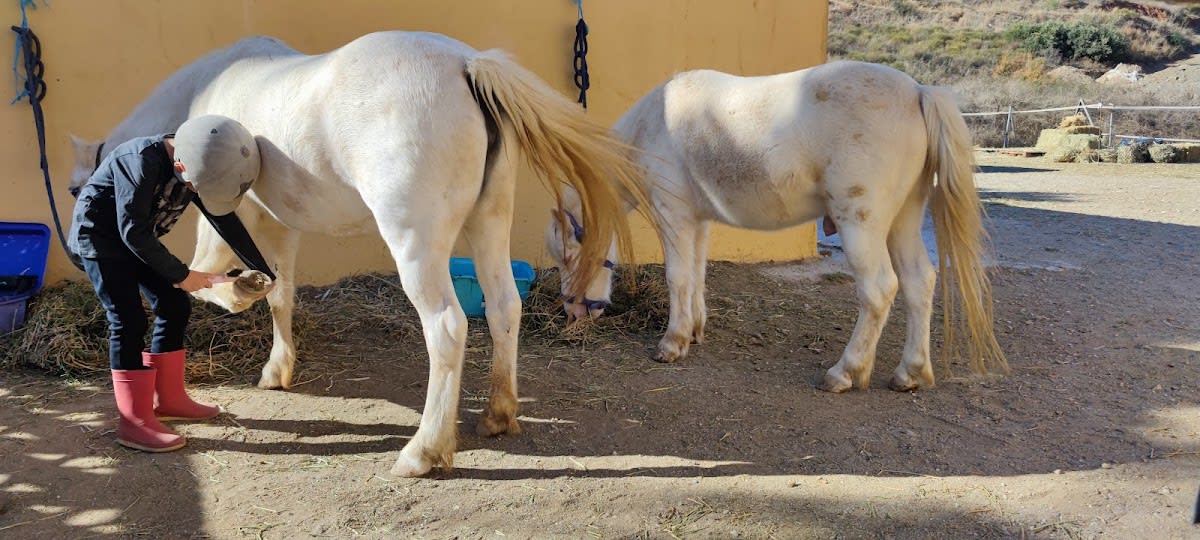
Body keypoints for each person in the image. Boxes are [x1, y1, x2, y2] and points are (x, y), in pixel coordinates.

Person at [68, 114, 277, 452]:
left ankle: (169, 399)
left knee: (174, 304)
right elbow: (131, 231)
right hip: (101, 243)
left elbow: (222, 218)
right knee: (128, 319)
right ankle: (133, 421)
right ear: (181, 169)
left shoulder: (200, 160)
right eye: (196, 188)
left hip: (136, 241)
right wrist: (183, 275)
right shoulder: (138, 163)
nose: (197, 193)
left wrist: (263, 271)